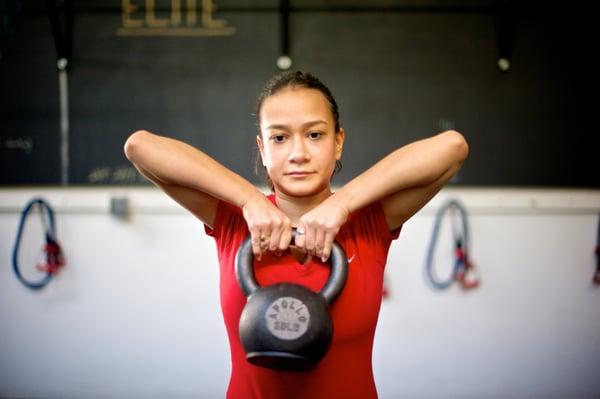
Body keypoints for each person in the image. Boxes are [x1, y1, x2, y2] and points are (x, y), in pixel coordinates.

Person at [124, 70, 468, 399]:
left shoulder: (369, 221)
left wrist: (344, 203)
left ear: (338, 142)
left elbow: (452, 148)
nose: (298, 153)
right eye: (279, 137)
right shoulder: (233, 219)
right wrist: (248, 200)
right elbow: (140, 147)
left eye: (315, 134)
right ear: (262, 148)